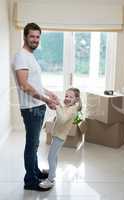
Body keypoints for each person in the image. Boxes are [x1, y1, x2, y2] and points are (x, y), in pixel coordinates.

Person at [12, 23, 59, 191]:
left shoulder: (30, 56)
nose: (35, 40)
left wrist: (49, 93)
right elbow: (24, 85)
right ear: (25, 36)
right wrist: (46, 100)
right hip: (31, 108)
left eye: (38, 37)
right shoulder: (21, 56)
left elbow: (34, 83)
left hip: (37, 106)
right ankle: (30, 181)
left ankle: (36, 172)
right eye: (32, 36)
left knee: (35, 144)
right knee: (31, 145)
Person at [40, 87, 82, 189]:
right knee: (54, 155)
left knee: (51, 157)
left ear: (76, 99)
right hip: (58, 135)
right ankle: (52, 171)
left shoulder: (72, 110)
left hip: (59, 137)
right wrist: (58, 102)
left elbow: (63, 118)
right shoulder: (70, 107)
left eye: (70, 97)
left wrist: (57, 107)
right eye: (66, 96)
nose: (67, 98)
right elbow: (64, 110)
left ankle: (50, 179)